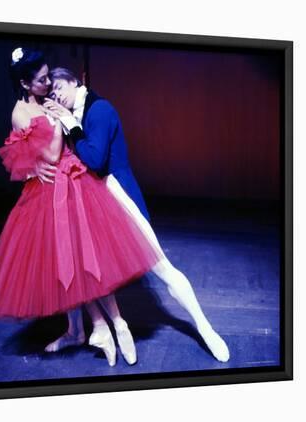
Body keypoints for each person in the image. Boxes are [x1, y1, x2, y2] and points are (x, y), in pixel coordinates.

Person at [0, 48, 164, 366]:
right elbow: (45, 156)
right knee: (69, 262)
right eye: (41, 79)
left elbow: (72, 136)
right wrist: (56, 122)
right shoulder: (21, 112)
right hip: (48, 191)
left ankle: (113, 324)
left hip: (75, 181)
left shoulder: (49, 99)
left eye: (49, 76)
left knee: (91, 257)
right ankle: (93, 328)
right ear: (24, 83)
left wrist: (62, 118)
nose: (48, 83)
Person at [39, 67, 230, 363]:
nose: (57, 96)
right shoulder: (73, 113)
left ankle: (205, 327)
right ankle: (79, 329)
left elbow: (94, 159)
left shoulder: (99, 109)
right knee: (78, 264)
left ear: (76, 81)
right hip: (98, 202)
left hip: (121, 197)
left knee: (161, 266)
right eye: (51, 93)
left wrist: (69, 124)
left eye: (59, 88)